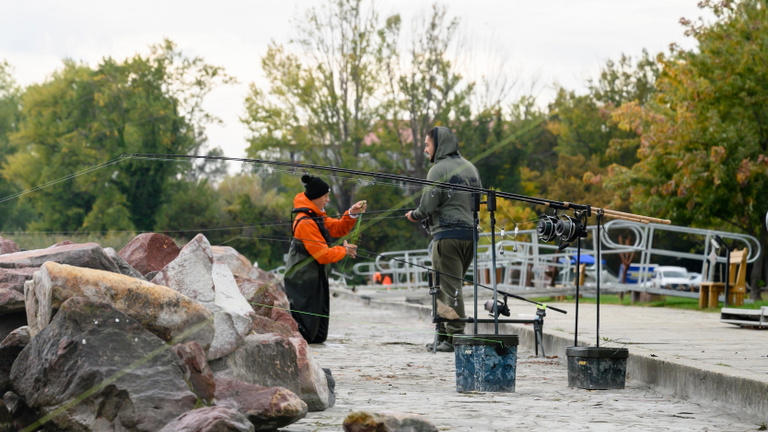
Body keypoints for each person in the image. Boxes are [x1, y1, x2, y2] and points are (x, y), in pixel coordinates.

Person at [405, 126, 481, 352]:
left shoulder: (438, 170)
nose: (426, 150)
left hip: (447, 237)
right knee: (446, 285)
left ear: (438, 145)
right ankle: (444, 336)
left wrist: (414, 215)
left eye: (427, 145)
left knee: (447, 287)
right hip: (470, 236)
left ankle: (454, 337)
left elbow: (428, 205)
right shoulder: (471, 168)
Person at [284, 174, 367, 343]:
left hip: (312, 276)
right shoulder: (306, 221)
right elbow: (323, 255)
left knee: (317, 328)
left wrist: (351, 214)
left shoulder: (315, 214)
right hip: (303, 279)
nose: (328, 200)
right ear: (315, 198)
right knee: (308, 328)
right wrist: (344, 251)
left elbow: (335, 228)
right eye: (325, 197)